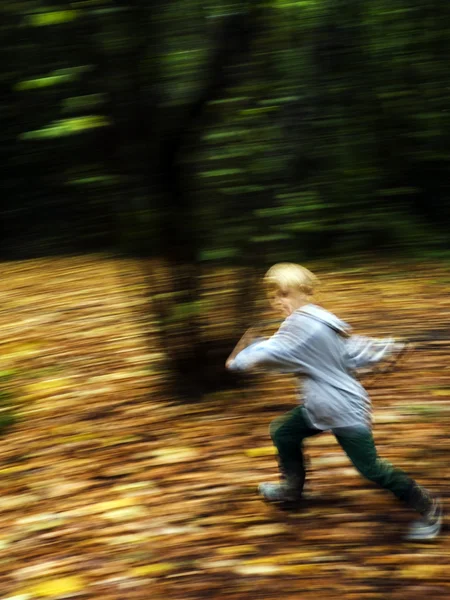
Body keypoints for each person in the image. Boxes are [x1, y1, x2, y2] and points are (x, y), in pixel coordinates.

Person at [226, 263, 442, 541]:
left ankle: (428, 508)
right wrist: (388, 347)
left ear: (304, 292)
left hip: (342, 410)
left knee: (370, 468)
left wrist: (238, 361)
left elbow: (273, 352)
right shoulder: (322, 321)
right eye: (274, 297)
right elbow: (352, 351)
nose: (278, 302)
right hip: (321, 407)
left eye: (284, 294)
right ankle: (292, 491)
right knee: (283, 431)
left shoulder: (300, 325)